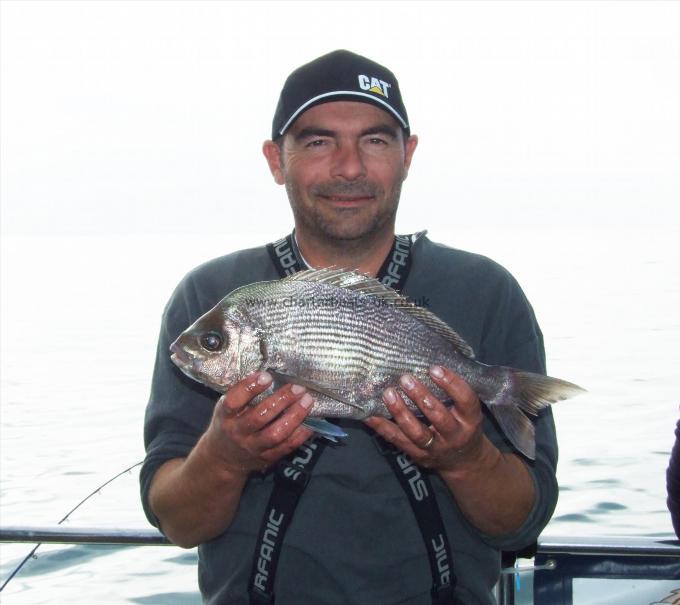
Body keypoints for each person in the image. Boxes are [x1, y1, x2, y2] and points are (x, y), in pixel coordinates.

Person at [141, 50, 559, 604]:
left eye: (375, 140)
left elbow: (524, 521)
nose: (349, 167)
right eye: (318, 142)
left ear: (408, 154)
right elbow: (176, 522)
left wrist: (465, 457)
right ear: (275, 159)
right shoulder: (208, 296)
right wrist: (225, 455)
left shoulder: (487, 291)